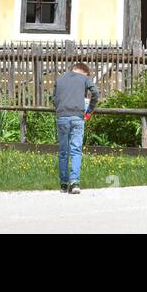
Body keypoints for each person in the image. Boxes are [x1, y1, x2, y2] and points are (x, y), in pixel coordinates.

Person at [51, 62, 99, 194]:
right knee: (76, 150)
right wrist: (89, 111)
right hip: (78, 117)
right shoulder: (83, 78)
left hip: (62, 117)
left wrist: (60, 108)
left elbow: (53, 98)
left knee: (63, 151)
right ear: (83, 72)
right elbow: (95, 91)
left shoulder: (59, 79)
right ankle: (74, 182)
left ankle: (63, 184)